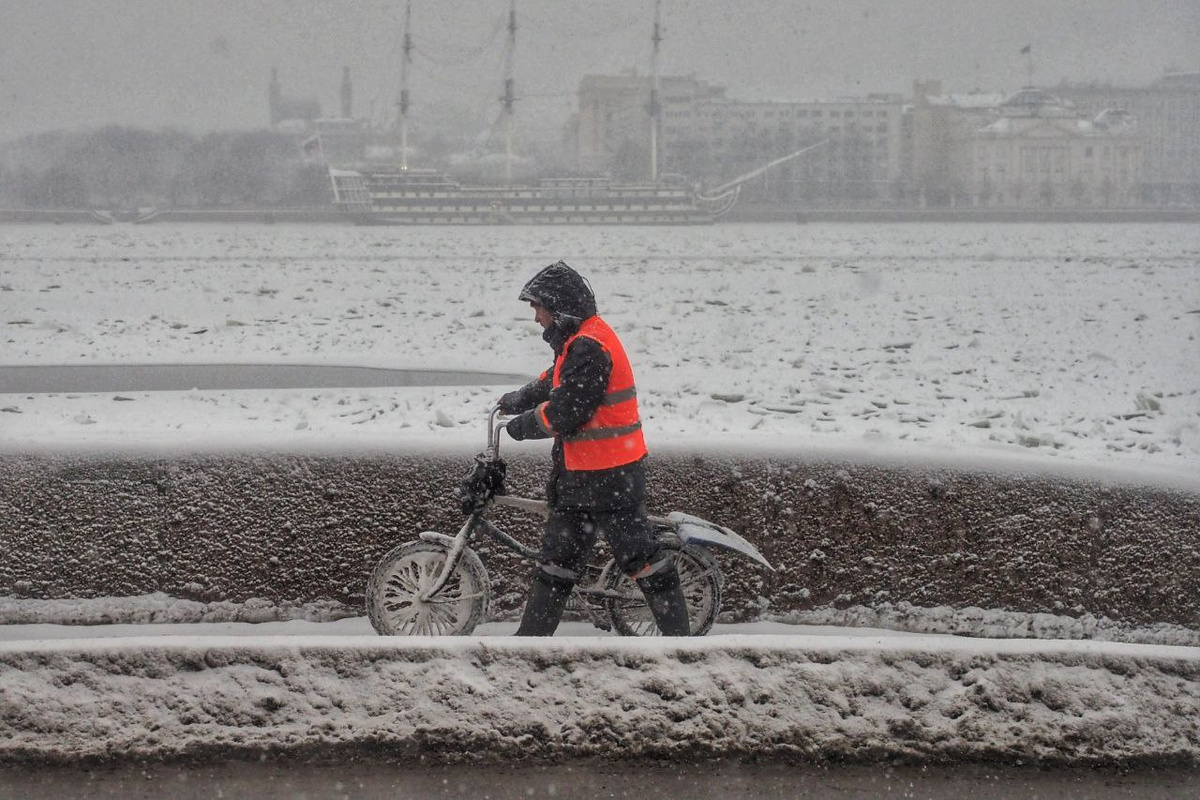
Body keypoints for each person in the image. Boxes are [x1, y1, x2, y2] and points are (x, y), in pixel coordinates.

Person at [498, 260, 690, 637]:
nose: (536, 317)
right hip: (586, 477)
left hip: (609, 478)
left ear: (558, 306)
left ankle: (680, 643)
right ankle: (529, 646)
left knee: (640, 558)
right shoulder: (579, 338)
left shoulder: (588, 345)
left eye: (538, 308)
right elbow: (555, 380)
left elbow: (567, 410)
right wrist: (519, 398)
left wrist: (521, 425)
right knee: (557, 563)